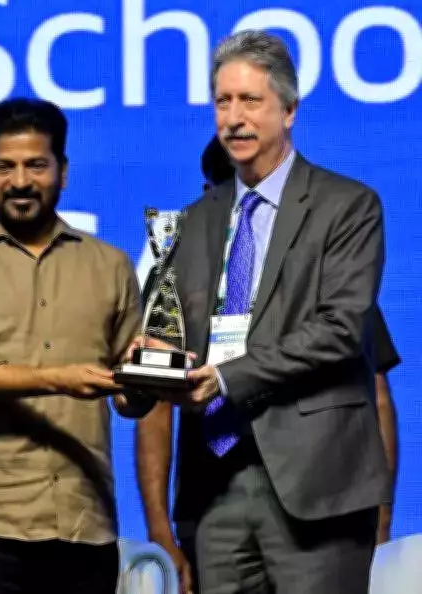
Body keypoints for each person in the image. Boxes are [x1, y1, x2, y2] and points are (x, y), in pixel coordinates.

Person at [133, 31, 390, 594]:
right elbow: (172, 341)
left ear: (289, 110)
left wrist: (227, 377)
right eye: (223, 102)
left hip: (316, 484)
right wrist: (149, 364)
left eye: (250, 100)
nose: (234, 118)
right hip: (215, 487)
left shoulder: (347, 206)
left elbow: (341, 330)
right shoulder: (191, 222)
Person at [0, 97, 150, 594]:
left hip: (86, 520)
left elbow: (129, 398)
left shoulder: (111, 264)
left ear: (63, 172)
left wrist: (150, 377)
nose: (20, 181)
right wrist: (59, 379)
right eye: (4, 166)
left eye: (36, 165)